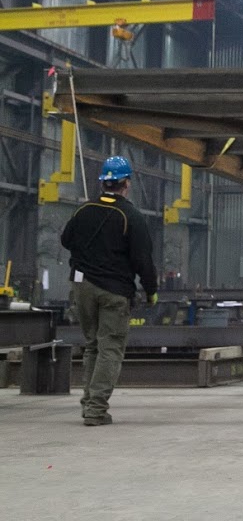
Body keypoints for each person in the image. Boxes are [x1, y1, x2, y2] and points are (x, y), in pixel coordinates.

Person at [61, 155, 158, 426]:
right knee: (110, 348)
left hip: (82, 287)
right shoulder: (131, 215)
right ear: (126, 183)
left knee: (92, 345)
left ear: (104, 182)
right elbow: (143, 260)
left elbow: (66, 240)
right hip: (114, 291)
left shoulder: (83, 210)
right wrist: (151, 291)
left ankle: (88, 404)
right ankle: (95, 410)